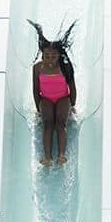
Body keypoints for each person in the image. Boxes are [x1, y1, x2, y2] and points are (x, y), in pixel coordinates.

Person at [29, 20, 77, 166]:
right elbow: (35, 88)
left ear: (59, 56)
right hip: (46, 99)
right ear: (42, 55)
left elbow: (72, 87)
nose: (50, 60)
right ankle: (48, 157)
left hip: (63, 97)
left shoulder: (64, 67)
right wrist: (38, 107)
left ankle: (62, 155)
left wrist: (72, 104)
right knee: (48, 123)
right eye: (47, 56)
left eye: (53, 57)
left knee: (60, 123)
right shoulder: (37, 68)